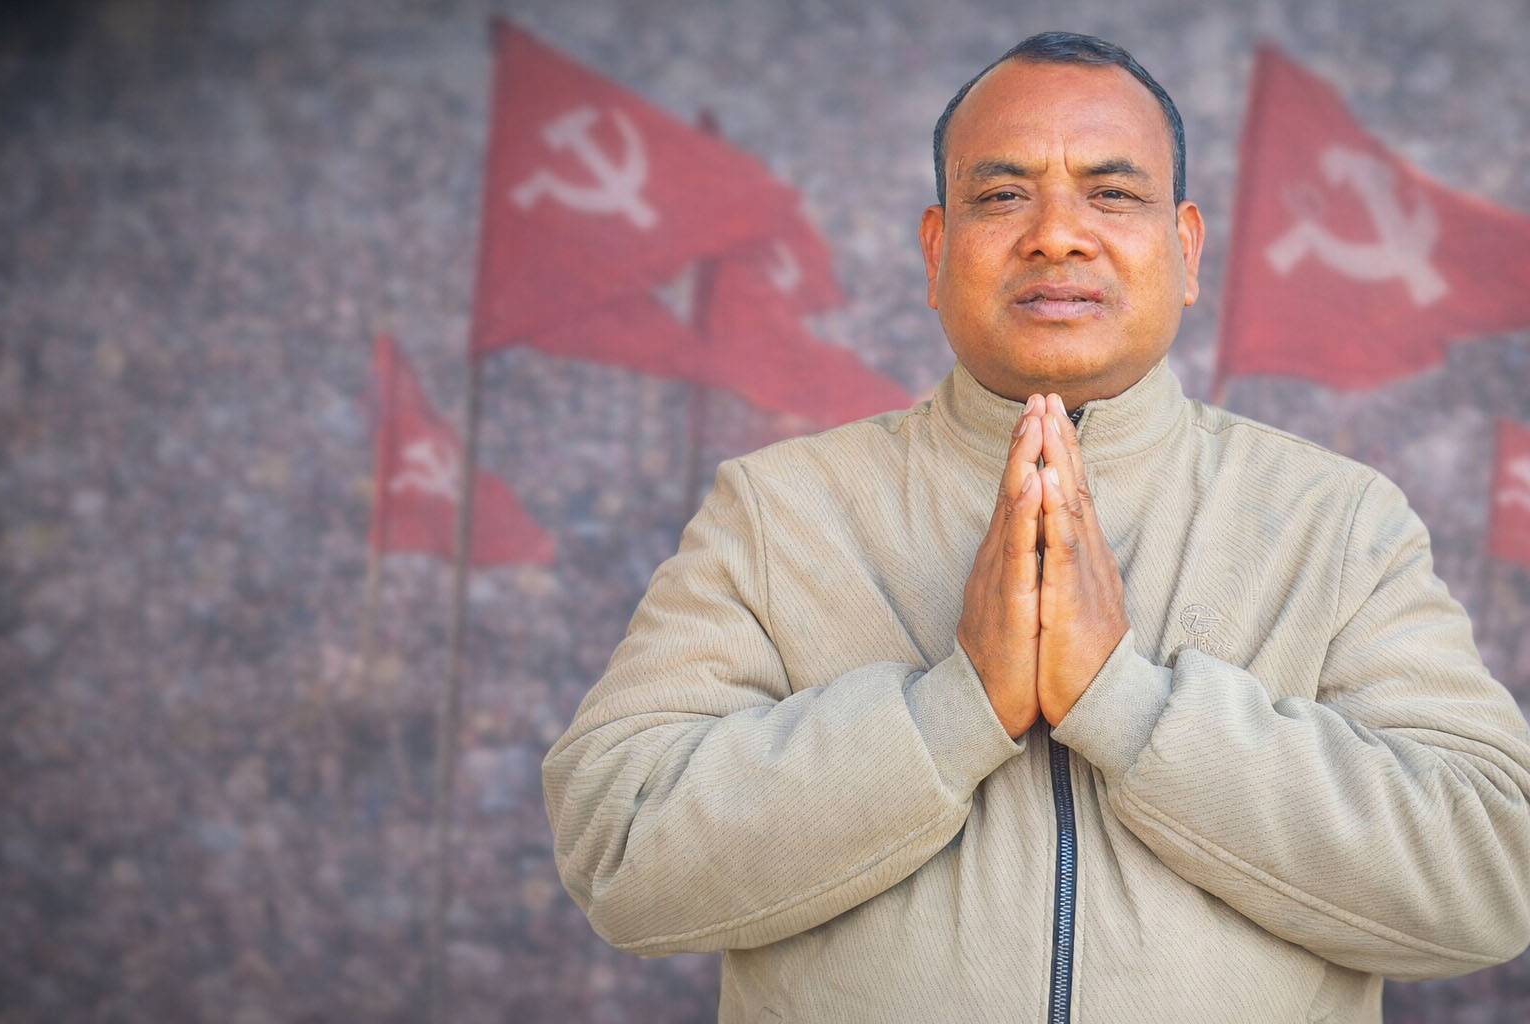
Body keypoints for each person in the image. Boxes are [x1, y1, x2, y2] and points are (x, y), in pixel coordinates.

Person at [542, 31, 1530, 1022]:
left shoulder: (1337, 520)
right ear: (937, 251)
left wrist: (1128, 705)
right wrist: (956, 707)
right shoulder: (778, 511)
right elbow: (619, 847)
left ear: (1185, 249)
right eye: (1004, 194)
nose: (1058, 234)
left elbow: (1494, 874)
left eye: (1113, 193)